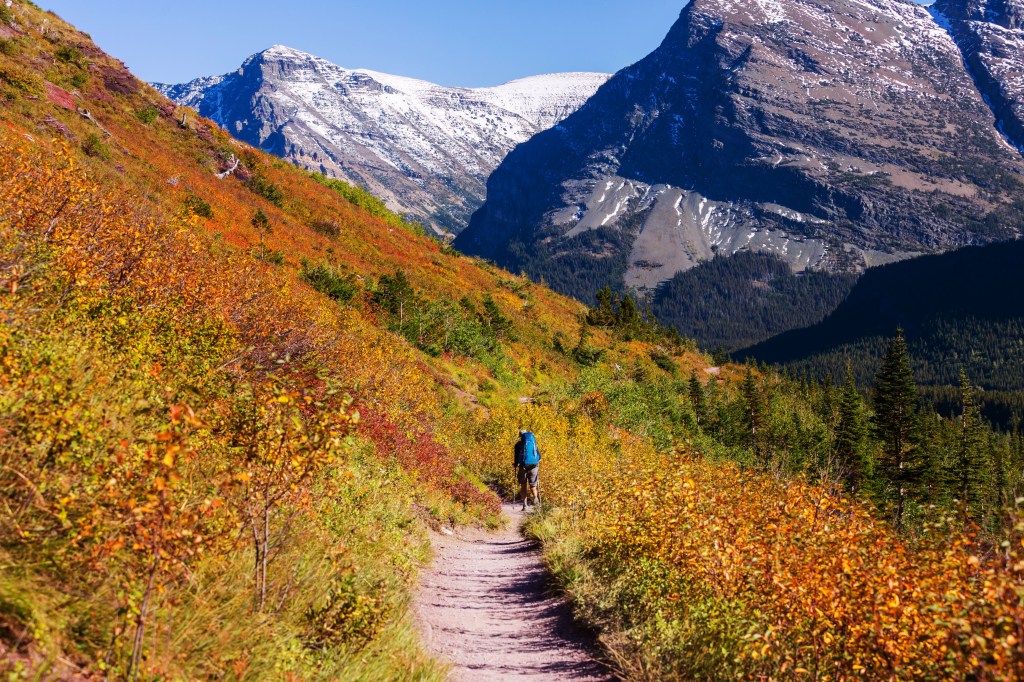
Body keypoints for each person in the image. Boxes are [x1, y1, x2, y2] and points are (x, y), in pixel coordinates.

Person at [513, 429, 541, 510]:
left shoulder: (518, 445)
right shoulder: (533, 443)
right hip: (534, 466)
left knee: (523, 485)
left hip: (523, 466)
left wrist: (515, 465)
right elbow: (540, 457)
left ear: (520, 437)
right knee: (533, 485)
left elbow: (516, 458)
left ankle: (525, 505)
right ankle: (535, 497)